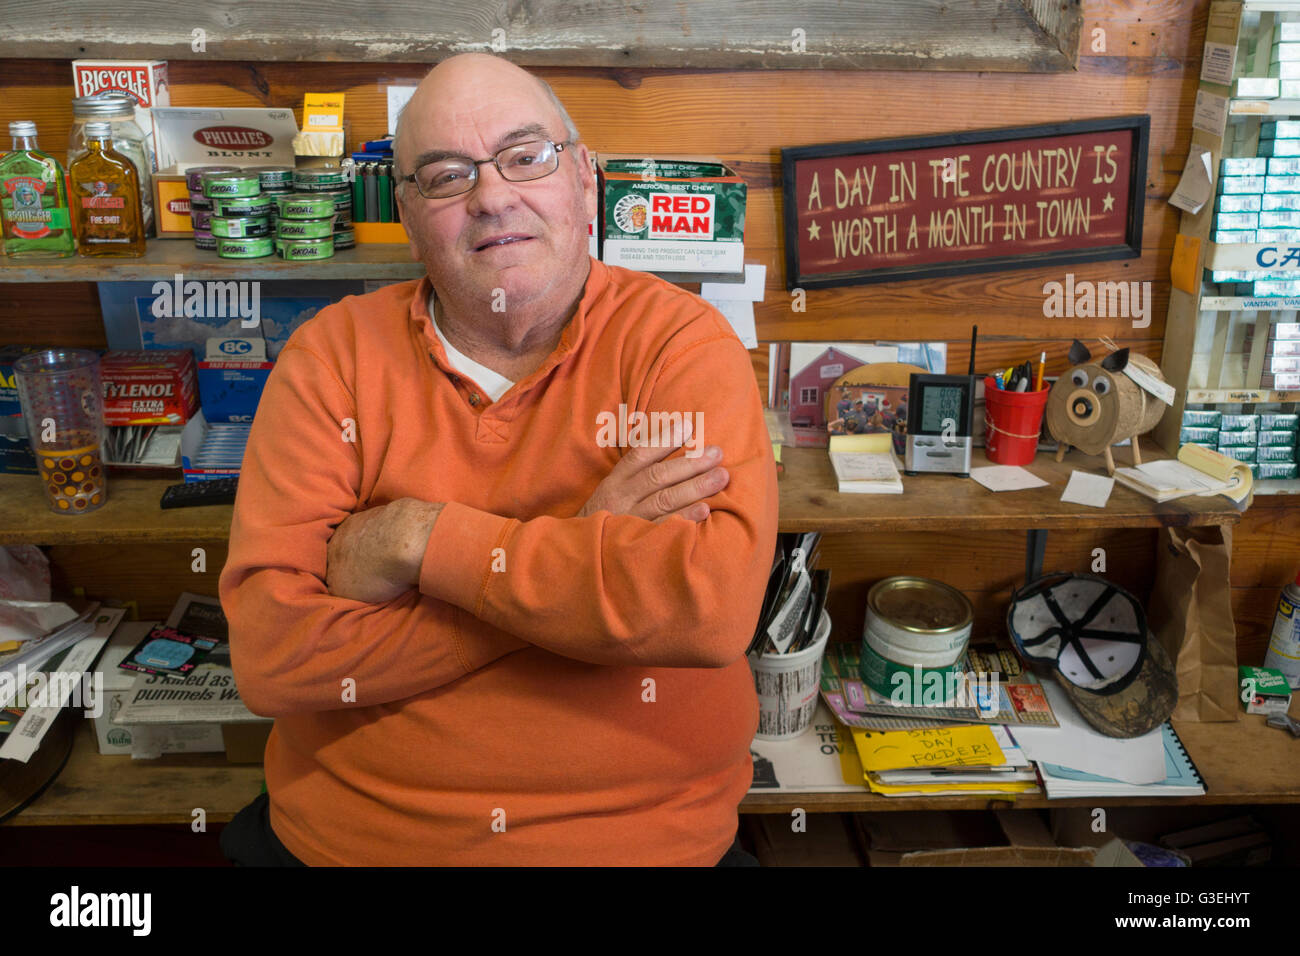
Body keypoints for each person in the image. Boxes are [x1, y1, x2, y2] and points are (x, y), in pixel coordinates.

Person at [217, 53, 778, 866]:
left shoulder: (680, 344)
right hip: (357, 843)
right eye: (446, 176)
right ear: (408, 212)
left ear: (584, 179)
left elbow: (706, 609)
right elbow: (274, 661)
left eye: (526, 156)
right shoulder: (330, 358)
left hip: (644, 842)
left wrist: (420, 539)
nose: (492, 196)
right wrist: (581, 547)